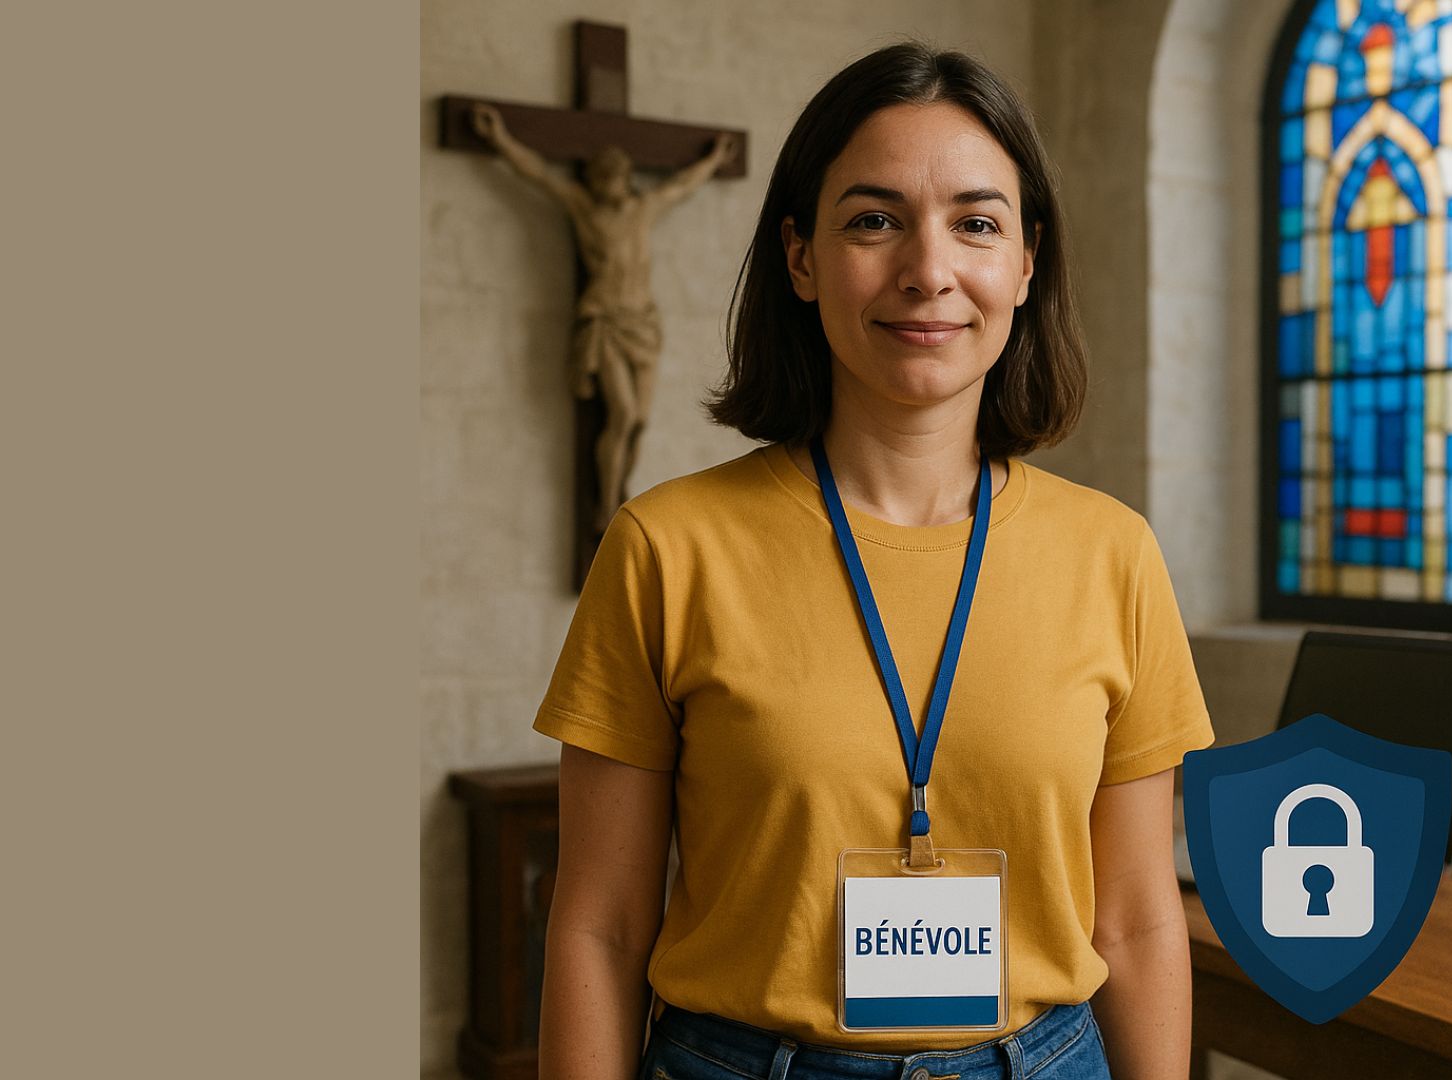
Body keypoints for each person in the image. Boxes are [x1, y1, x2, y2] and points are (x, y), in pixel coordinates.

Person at [531, 42, 1213, 1080]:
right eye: (874, 220)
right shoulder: (666, 550)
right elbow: (601, 926)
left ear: (1027, 263)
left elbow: (1134, 921)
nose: (928, 271)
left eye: (976, 223)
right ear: (801, 258)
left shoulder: (1113, 555)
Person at [471, 102, 739, 530]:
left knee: (641, 422)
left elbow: (682, 186)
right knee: (624, 415)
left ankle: (620, 492)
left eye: (614, 178)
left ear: (624, 179)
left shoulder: (644, 209)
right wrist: (500, 138)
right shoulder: (582, 208)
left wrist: (712, 159)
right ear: (593, 180)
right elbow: (536, 173)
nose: (607, 185)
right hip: (607, 323)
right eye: (600, 178)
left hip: (643, 324)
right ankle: (607, 506)